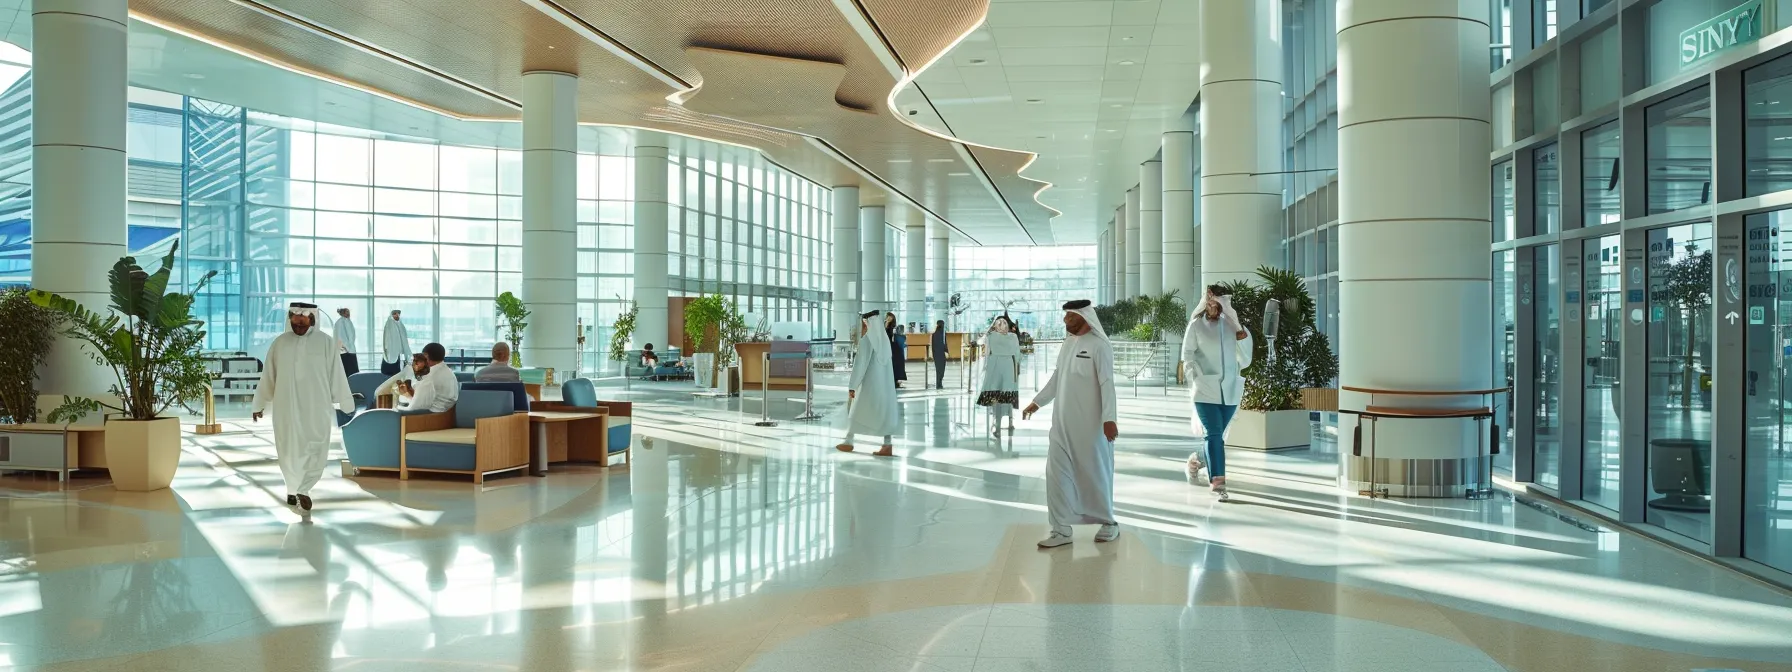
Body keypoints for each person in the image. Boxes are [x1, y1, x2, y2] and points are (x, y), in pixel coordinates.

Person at [1022, 299, 1119, 548]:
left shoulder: (1099, 346)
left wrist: (1109, 419)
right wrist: (1038, 401)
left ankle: (1109, 523)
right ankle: (1061, 529)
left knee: (1094, 474)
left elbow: (1107, 384)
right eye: (1065, 317)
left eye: (1070, 317)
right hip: (1062, 425)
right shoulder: (1068, 344)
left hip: (1091, 427)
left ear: (1084, 318)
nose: (1066, 321)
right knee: (1055, 476)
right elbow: (1058, 377)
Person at [251, 302, 355, 511]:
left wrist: (345, 402)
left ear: (312, 320)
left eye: (302, 324)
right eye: (295, 324)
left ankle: (304, 489)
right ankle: (292, 488)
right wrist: (259, 404)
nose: (298, 327)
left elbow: (336, 373)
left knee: (316, 446)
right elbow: (268, 375)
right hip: (285, 406)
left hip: (317, 405)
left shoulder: (325, 342)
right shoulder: (280, 343)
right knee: (288, 449)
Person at [1182, 285, 1253, 501]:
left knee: (1217, 437)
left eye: (1216, 302)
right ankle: (1218, 482)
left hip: (1230, 391)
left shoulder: (1235, 328)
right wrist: (1197, 377)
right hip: (1204, 389)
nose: (1212, 306)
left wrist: (1236, 324)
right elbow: (1187, 355)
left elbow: (1246, 359)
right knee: (1213, 434)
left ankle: (1195, 459)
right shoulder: (1196, 326)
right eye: (1209, 301)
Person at [839, 309, 900, 457]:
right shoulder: (884, 339)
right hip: (885, 387)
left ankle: (849, 440)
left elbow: (860, 365)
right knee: (884, 414)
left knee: (856, 411)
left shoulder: (867, 340)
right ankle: (887, 444)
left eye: (864, 323)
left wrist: (852, 385)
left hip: (869, 385)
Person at [979, 315, 1022, 435]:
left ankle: (996, 424)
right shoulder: (1013, 337)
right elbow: (1017, 353)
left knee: (995, 394)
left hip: (994, 365)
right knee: (1008, 393)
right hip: (1009, 365)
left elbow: (986, 352)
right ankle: (1010, 422)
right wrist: (1017, 366)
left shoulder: (990, 336)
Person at [380, 310, 411, 376]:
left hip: (398, 354)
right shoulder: (389, 325)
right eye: (394, 314)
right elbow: (387, 341)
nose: (397, 315)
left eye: (398, 314)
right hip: (390, 353)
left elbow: (404, 340)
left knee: (397, 373)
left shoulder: (400, 324)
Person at [333, 308, 358, 376]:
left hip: (347, 350)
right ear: (343, 313)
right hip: (346, 352)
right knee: (349, 373)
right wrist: (347, 348)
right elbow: (341, 337)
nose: (349, 314)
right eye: (347, 312)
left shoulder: (345, 321)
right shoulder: (341, 322)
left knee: (350, 373)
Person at [886, 312, 908, 388]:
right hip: (888, 347)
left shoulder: (893, 327)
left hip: (894, 348)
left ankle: (895, 381)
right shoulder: (885, 326)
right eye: (888, 317)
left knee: (895, 364)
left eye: (890, 317)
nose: (889, 319)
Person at [930, 320, 949, 389]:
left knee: (938, 369)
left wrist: (932, 354)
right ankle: (939, 383)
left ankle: (939, 383)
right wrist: (946, 351)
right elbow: (945, 344)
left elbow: (933, 345)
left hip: (936, 354)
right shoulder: (942, 334)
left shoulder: (934, 334)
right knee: (941, 369)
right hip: (941, 353)